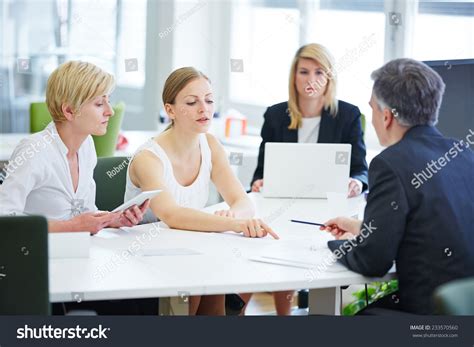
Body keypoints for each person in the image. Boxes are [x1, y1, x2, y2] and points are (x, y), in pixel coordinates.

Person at [321, 58, 474, 314]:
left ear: (387, 116)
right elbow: (433, 229)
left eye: (371, 109)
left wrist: (336, 246)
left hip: (429, 317)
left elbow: (371, 262)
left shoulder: (390, 164)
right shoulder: (465, 154)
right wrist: (363, 229)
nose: (371, 119)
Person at [125, 67, 279, 315]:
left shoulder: (210, 144)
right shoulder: (148, 158)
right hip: (146, 259)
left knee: (212, 275)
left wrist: (235, 215)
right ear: (170, 109)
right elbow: (172, 215)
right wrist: (236, 225)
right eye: (192, 102)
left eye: (208, 100)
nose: (204, 108)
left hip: (189, 251)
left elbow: (241, 199)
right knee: (200, 275)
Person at [243, 43, 369, 315]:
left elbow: (360, 167)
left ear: (329, 78)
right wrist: (259, 182)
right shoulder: (276, 115)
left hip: (329, 206)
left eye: (319, 72)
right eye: (303, 72)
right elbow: (262, 168)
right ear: (294, 76)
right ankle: (278, 315)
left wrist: (356, 182)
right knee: (269, 244)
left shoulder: (348, 115)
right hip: (283, 202)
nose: (311, 80)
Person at [0, 61, 148, 233]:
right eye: (99, 104)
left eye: (109, 101)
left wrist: (112, 219)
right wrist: (70, 227)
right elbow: (5, 216)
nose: (110, 111)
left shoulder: (86, 146)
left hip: (79, 251)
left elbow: (85, 214)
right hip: (37, 255)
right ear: (69, 111)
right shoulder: (33, 151)